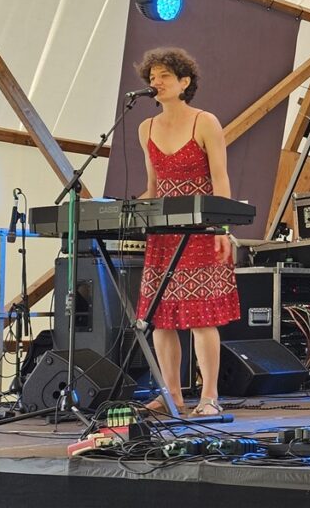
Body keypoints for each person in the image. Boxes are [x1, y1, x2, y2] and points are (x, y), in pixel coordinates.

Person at [135, 47, 240, 415]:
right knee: (161, 320)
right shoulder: (146, 128)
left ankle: (209, 397)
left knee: (201, 318)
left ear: (184, 82)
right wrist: (122, 210)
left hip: (201, 229)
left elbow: (220, 179)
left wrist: (221, 228)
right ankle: (172, 396)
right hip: (163, 235)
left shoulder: (205, 122)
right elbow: (153, 186)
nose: (156, 82)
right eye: (152, 77)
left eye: (164, 76)